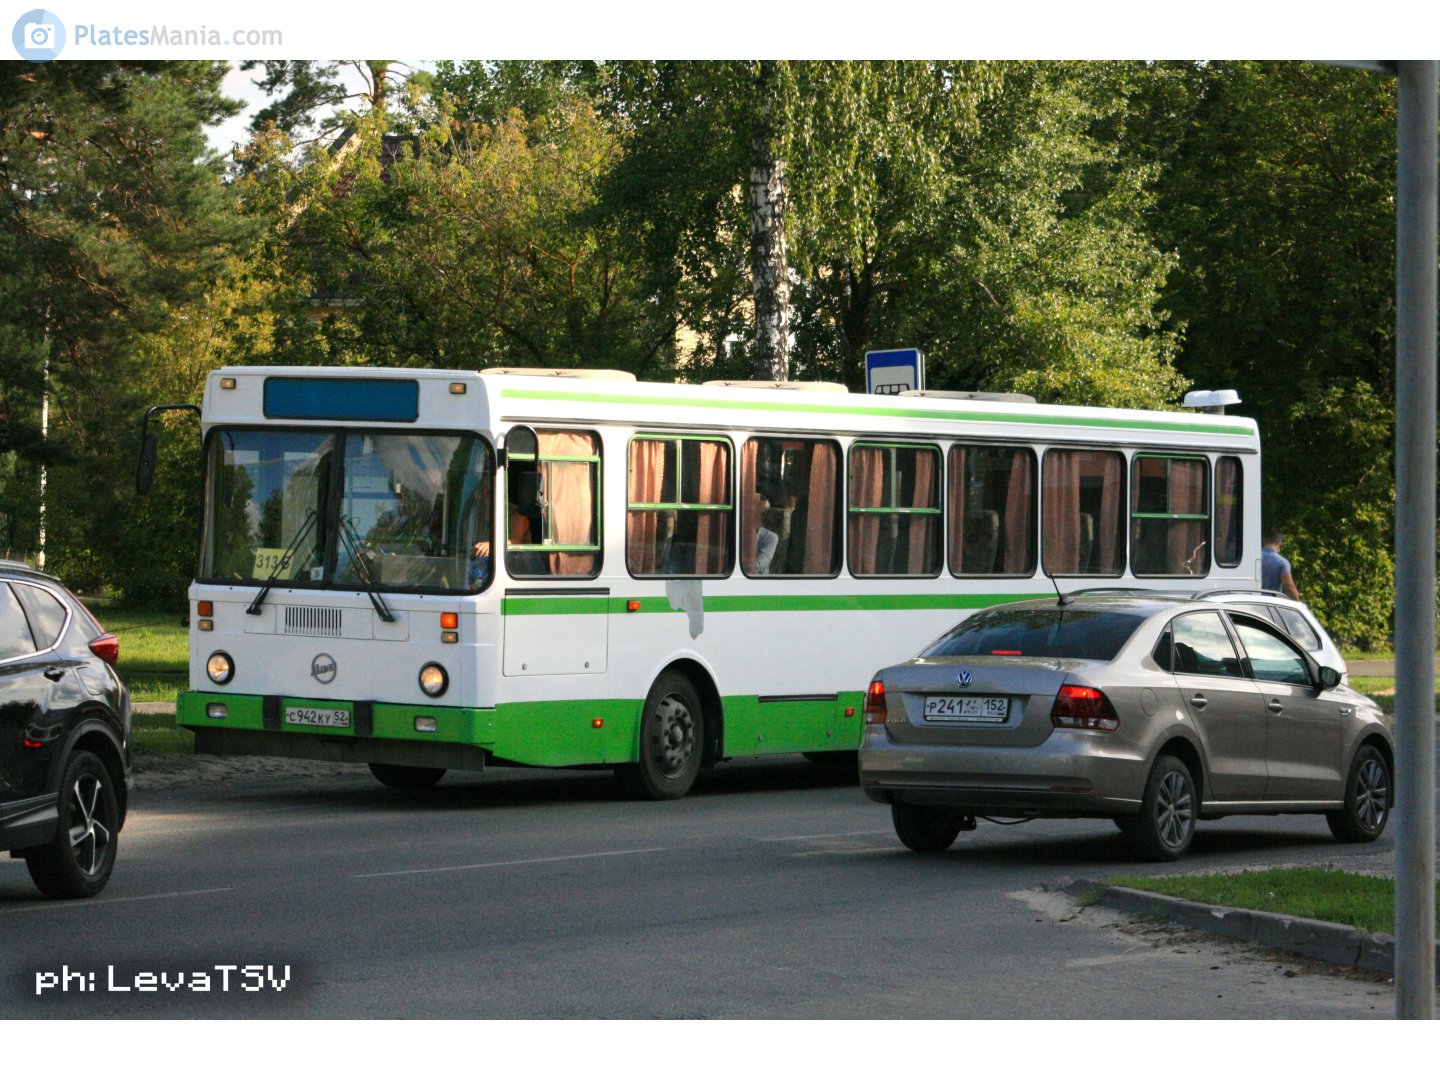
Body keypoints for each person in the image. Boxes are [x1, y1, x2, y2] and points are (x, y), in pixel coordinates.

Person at [1261, 528, 1300, 600]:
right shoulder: (1281, 562)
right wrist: (1298, 605)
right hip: (1270, 604)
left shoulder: (1252, 558)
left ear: (1264, 541)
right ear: (1279, 543)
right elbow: (1289, 588)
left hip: (1250, 603)